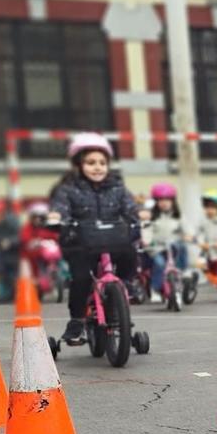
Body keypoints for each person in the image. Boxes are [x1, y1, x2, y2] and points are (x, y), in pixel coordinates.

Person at [46, 132, 139, 344]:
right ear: (78, 165)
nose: (97, 167)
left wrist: (138, 214)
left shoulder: (117, 187)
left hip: (113, 239)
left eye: (102, 163)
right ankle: (77, 320)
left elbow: (130, 208)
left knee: (130, 254)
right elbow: (60, 208)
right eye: (90, 162)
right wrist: (57, 217)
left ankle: (126, 284)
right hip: (81, 243)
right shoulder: (68, 189)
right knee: (81, 278)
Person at [140, 183, 187, 298]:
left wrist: (188, 235)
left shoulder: (178, 216)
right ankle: (155, 288)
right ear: (156, 202)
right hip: (155, 248)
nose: (164, 203)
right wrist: (147, 240)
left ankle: (182, 272)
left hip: (172, 247)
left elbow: (186, 229)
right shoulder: (150, 217)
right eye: (160, 200)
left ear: (173, 201)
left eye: (167, 200)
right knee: (160, 263)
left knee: (182, 247)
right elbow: (146, 230)